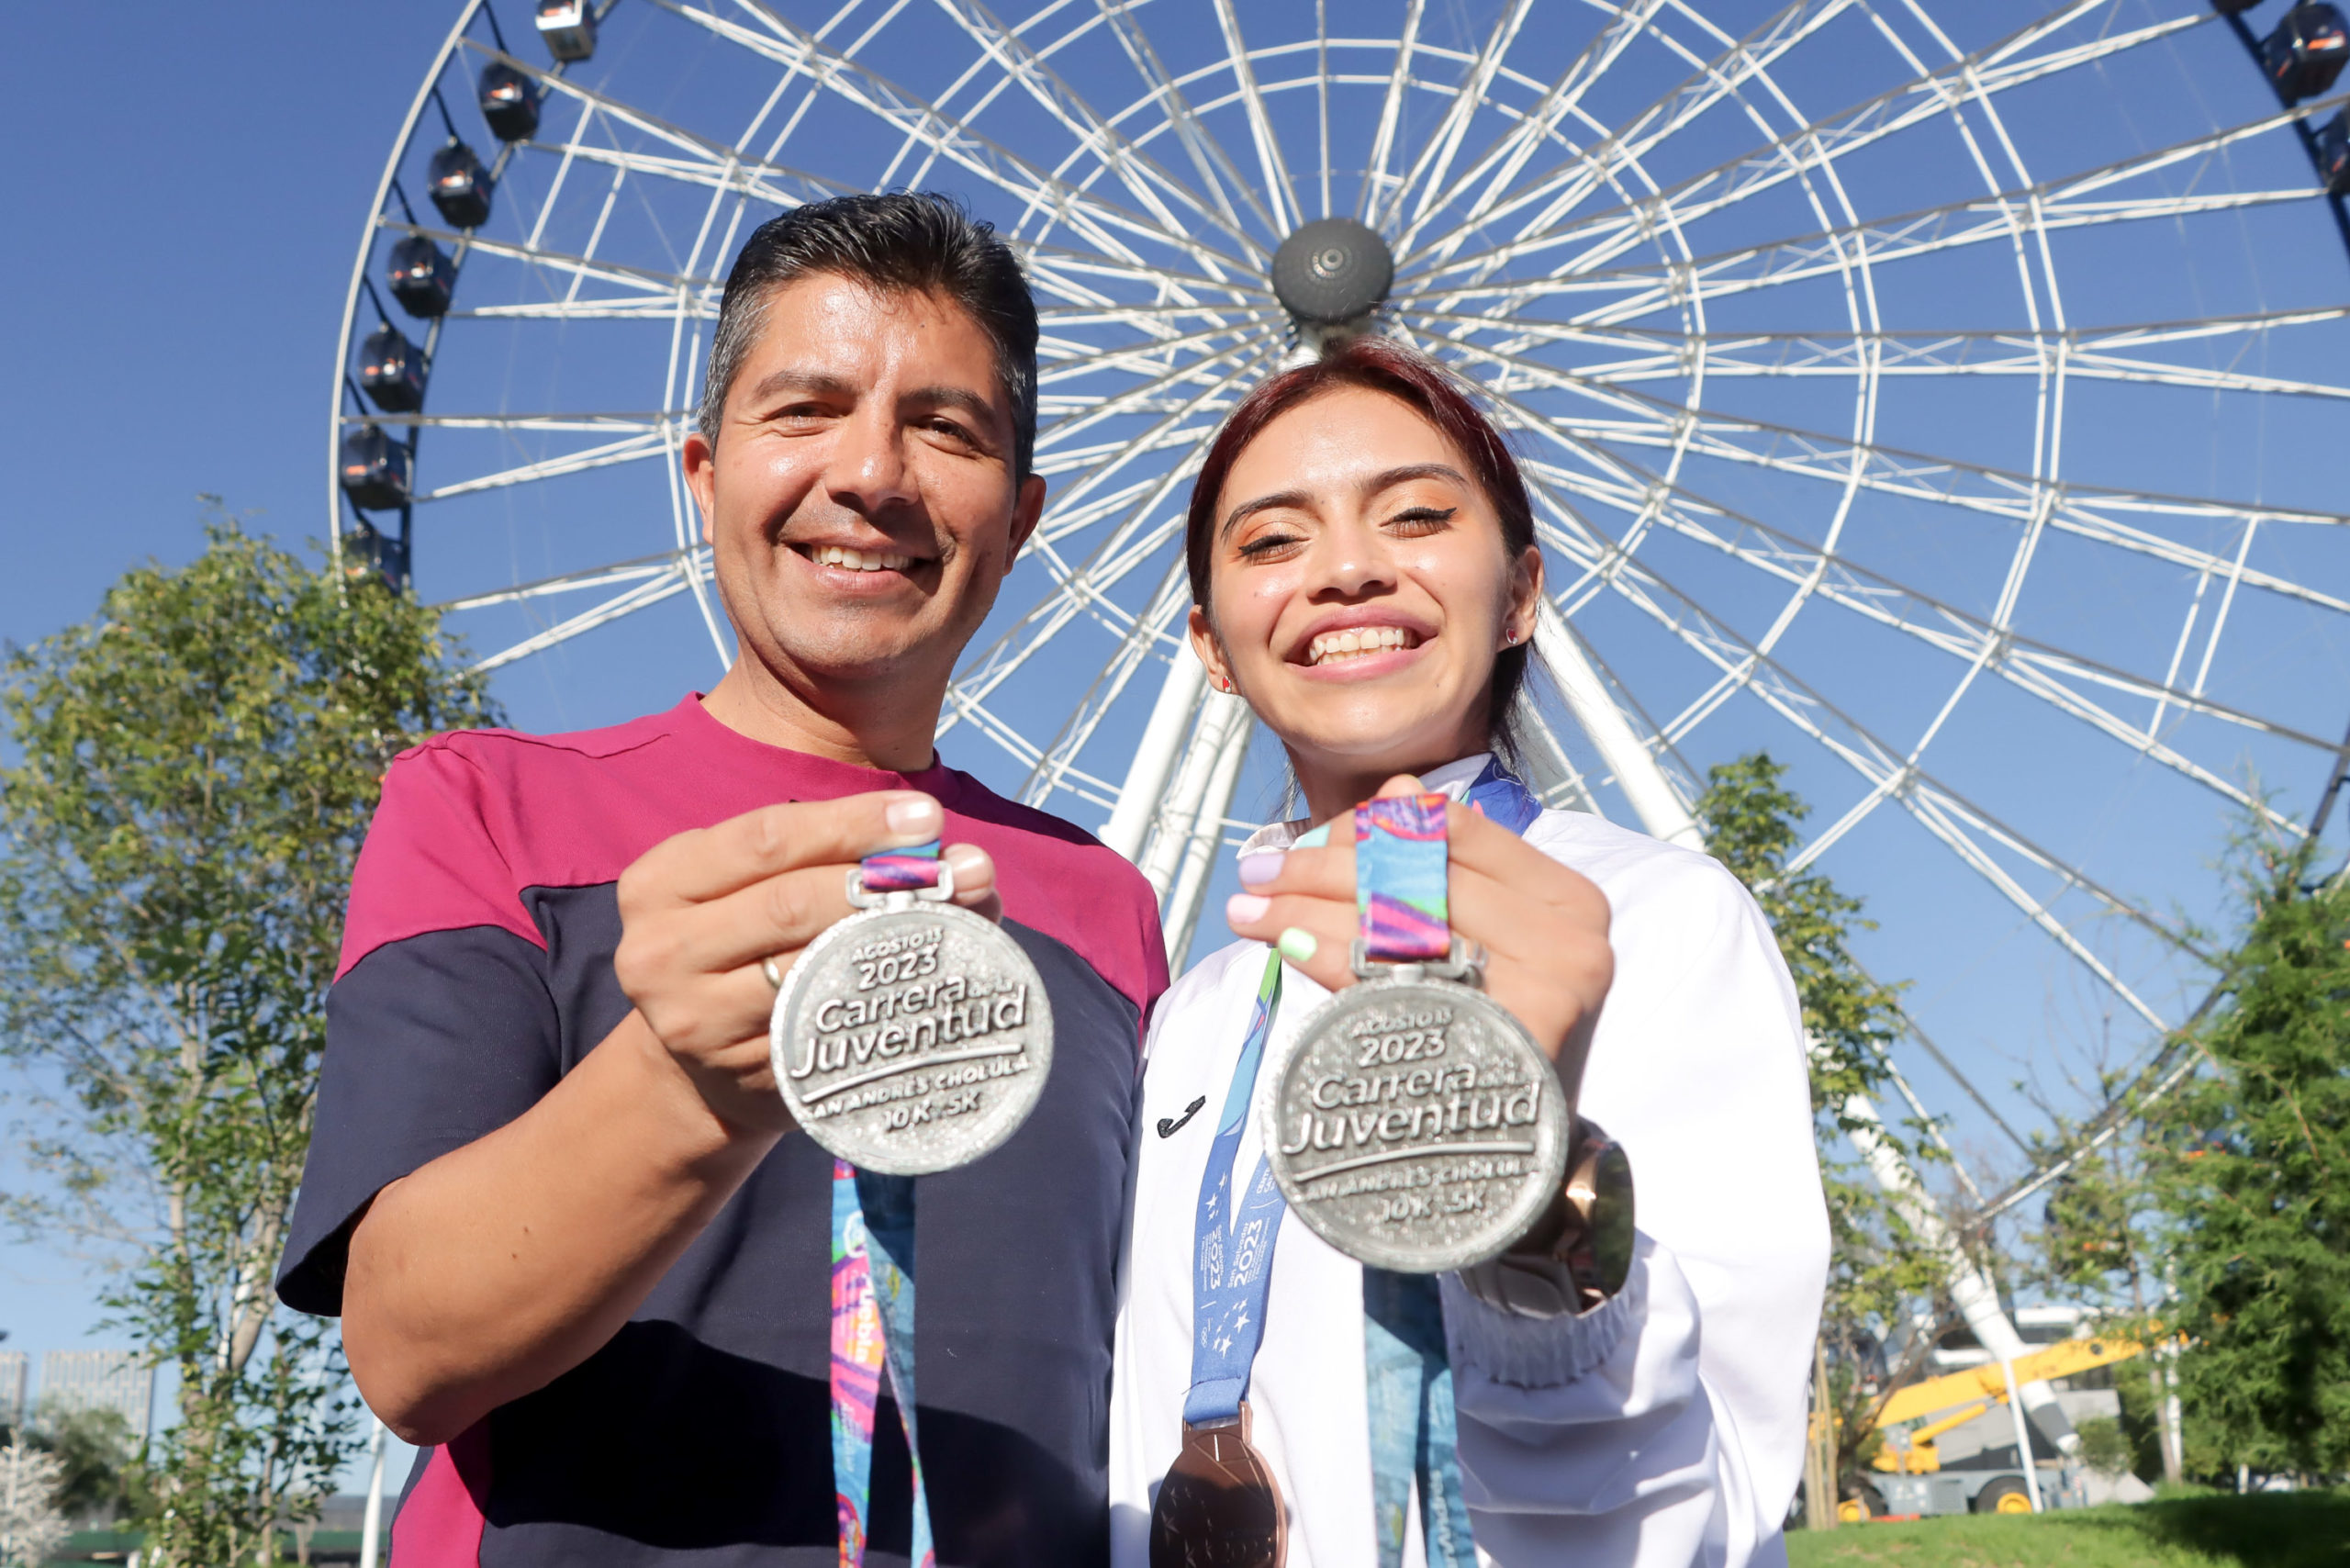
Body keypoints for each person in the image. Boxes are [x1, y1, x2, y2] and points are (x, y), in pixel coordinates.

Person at [277, 195, 1168, 1566]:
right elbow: (409, 1348)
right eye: (804, 409)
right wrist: (692, 1084)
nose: (873, 472)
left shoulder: (1107, 905)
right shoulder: (490, 812)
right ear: (703, 471)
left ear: (1023, 514)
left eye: (947, 428)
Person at [1109, 337, 1830, 1566]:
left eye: (1418, 516)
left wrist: (1521, 1196)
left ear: (1522, 593)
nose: (1346, 569)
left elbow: (1703, 1497)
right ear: (1210, 650)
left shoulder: (1653, 921)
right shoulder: (1205, 1002)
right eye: (1272, 542)